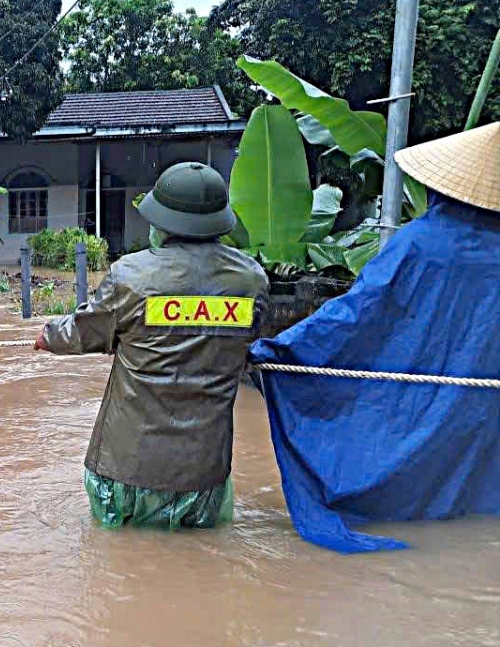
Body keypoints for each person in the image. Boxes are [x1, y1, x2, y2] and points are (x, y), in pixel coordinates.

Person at [250, 122, 500, 553]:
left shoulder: (421, 244)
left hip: (419, 399)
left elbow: (356, 315)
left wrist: (280, 353)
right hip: (485, 414)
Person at [35, 162, 269, 530]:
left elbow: (86, 331)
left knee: (119, 564)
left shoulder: (132, 276)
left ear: (161, 221)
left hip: (126, 468)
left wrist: (46, 336)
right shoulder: (251, 282)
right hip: (203, 473)